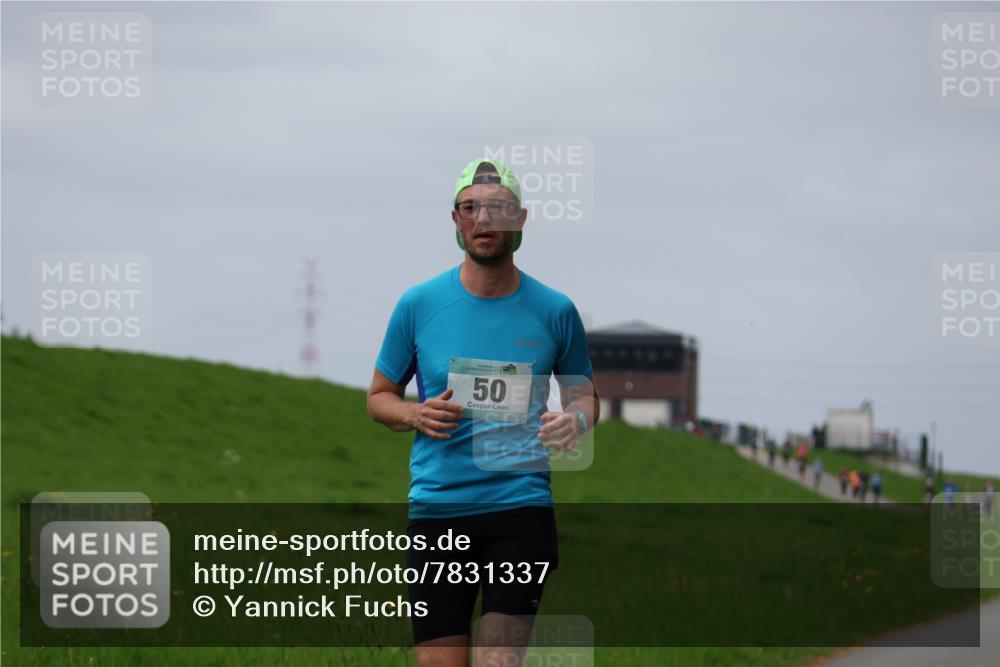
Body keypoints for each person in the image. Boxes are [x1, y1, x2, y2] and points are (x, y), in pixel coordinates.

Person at [367, 157, 599, 667]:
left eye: (497, 208)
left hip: (519, 508)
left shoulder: (555, 310)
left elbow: (585, 396)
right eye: (470, 208)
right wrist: (413, 415)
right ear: (455, 220)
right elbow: (379, 396)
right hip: (438, 510)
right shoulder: (419, 304)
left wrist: (574, 420)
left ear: (519, 219)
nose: (483, 219)